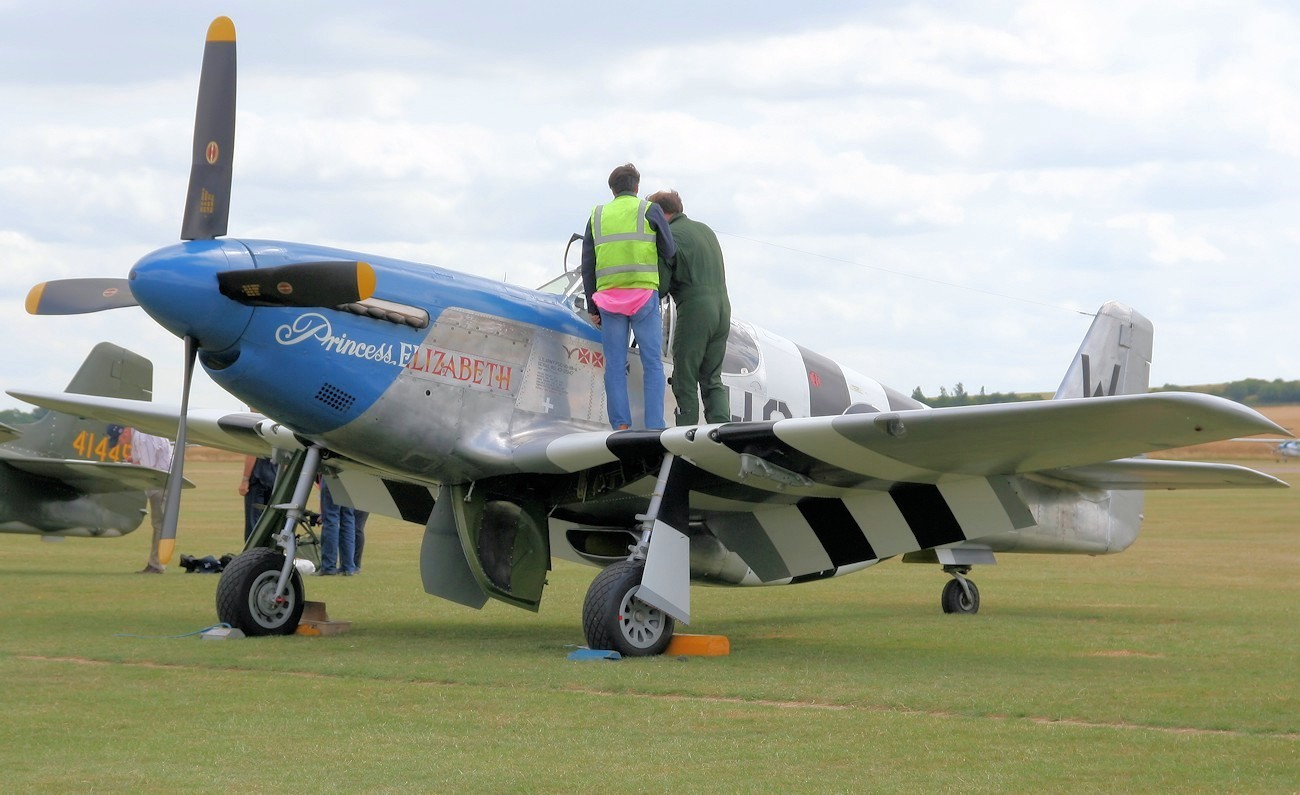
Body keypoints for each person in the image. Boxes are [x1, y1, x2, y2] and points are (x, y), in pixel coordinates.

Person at [581, 163, 676, 430]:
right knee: (652, 363)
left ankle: (620, 425)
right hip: (643, 296)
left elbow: (587, 264)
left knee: (614, 365)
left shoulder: (597, 215)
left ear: (612, 189)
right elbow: (669, 250)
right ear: (636, 187)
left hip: (609, 299)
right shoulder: (649, 210)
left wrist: (592, 305)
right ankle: (655, 425)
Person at [647, 189, 732, 425]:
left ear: (658, 214)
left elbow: (660, 287)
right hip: (723, 310)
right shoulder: (706, 230)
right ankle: (722, 432)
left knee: (685, 376)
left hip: (695, 310)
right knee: (712, 378)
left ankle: (687, 437)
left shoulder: (668, 236)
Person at [123, 426, 174, 574]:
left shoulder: (142, 437)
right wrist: (132, 460)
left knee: (159, 524)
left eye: (120, 439)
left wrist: (127, 466)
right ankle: (155, 562)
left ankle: (157, 564)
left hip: (160, 483)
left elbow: (148, 467)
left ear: (125, 432)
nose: (122, 443)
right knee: (159, 523)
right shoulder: (142, 432)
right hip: (159, 482)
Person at [317, 479, 359, 576]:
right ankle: (348, 566)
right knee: (348, 519)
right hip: (350, 477)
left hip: (333, 475)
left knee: (331, 519)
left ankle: (329, 566)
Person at [239, 455, 278, 541]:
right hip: (275, 477)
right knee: (272, 522)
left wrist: (245, 479)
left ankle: (253, 552)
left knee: (253, 524)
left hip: (258, 478)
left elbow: (251, 454)